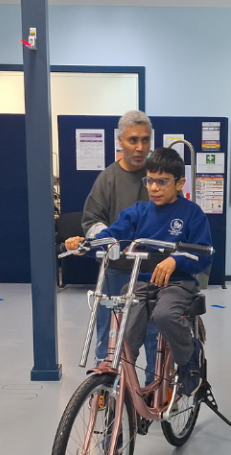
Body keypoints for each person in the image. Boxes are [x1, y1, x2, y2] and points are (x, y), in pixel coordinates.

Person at [67, 147, 213, 395]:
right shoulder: (137, 212)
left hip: (178, 284)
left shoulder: (192, 214)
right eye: (150, 180)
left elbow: (202, 252)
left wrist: (176, 261)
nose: (154, 188)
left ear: (180, 183)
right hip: (142, 282)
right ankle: (124, 374)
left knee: (165, 315)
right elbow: (111, 236)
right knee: (127, 322)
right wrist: (85, 245)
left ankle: (189, 361)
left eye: (162, 182)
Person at [80, 110, 159, 379]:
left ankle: (153, 388)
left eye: (145, 140)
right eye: (133, 140)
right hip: (116, 271)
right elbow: (91, 219)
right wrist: (107, 238)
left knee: (153, 332)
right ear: (120, 141)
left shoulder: (158, 177)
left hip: (153, 272)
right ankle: (105, 385)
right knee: (111, 331)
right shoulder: (108, 179)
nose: (139, 148)